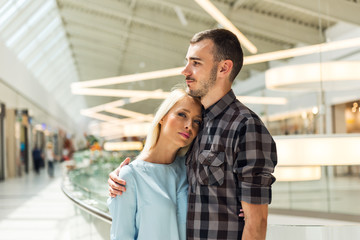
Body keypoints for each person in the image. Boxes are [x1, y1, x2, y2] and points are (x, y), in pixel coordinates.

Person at [109, 29, 277, 240]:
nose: (185, 70)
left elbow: (257, 223)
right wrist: (125, 176)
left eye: (196, 63)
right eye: (187, 61)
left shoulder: (245, 126)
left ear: (224, 68)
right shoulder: (198, 126)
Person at [107, 88, 202, 240]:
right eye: (182, 114)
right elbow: (121, 236)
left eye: (197, 121)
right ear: (162, 117)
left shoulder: (190, 168)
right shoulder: (129, 176)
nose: (189, 125)